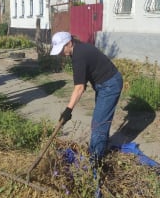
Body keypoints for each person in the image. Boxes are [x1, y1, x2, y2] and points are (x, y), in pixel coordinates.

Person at [50, 31, 123, 164]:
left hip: (110, 85)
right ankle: (99, 151)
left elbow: (79, 88)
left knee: (98, 124)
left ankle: (95, 162)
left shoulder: (79, 55)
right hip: (104, 84)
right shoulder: (77, 50)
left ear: (69, 43)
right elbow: (81, 84)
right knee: (100, 120)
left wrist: (68, 110)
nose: (61, 53)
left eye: (61, 49)